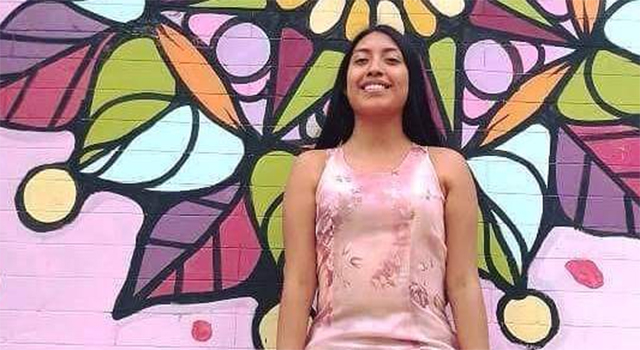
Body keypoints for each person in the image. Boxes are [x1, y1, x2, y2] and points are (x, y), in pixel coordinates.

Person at [276, 25, 489, 350]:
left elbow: (463, 283)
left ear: (411, 82)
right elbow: (299, 282)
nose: (374, 68)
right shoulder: (312, 169)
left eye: (391, 60)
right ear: (345, 86)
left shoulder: (447, 167)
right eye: (361, 61)